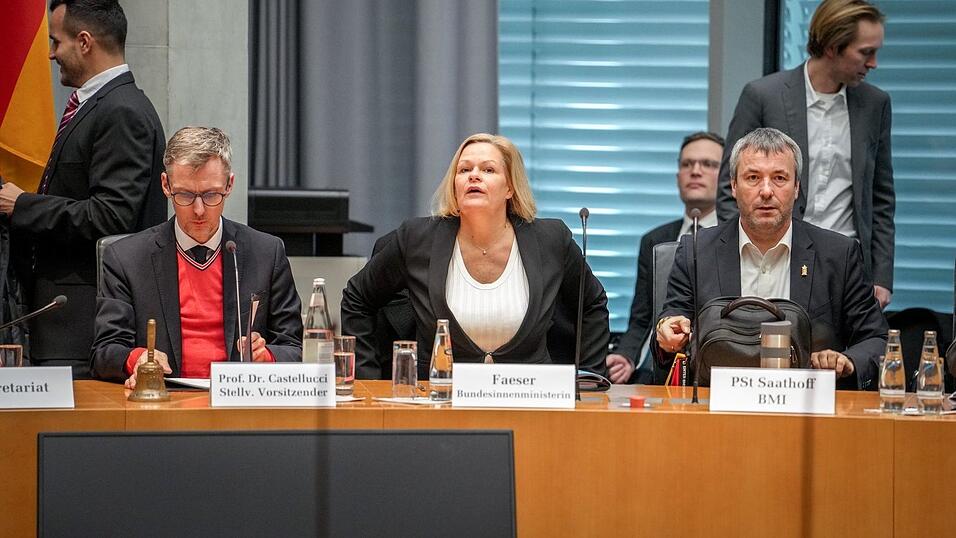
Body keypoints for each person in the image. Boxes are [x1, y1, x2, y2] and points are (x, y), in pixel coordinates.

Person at [342, 133, 610, 378]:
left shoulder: (551, 239)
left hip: (530, 399)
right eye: (464, 170)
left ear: (510, 188)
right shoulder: (417, 238)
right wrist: (368, 381)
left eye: (488, 169)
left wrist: (589, 379)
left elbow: (592, 303)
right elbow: (357, 298)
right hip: (440, 400)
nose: (474, 176)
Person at [0, 0, 166, 377]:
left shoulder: (122, 111)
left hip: (82, 324)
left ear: (85, 42)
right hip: (60, 320)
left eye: (57, 42)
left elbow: (111, 217)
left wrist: (22, 205)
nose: (50, 54)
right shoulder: (97, 105)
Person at [657, 127, 887, 390]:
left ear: (797, 186)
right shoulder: (696, 250)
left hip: (808, 408)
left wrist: (846, 360)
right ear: (733, 185)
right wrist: (667, 335)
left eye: (779, 178)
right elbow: (671, 326)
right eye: (753, 177)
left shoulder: (838, 254)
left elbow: (876, 339)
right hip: (718, 408)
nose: (766, 191)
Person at [716, 0, 894, 310]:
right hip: (776, 258)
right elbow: (728, 187)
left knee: (841, 358)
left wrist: (881, 276)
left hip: (847, 266)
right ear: (832, 47)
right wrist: (741, 261)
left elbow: (881, 198)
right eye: (865, 52)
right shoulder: (763, 95)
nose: (874, 63)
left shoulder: (875, 103)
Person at [91, 127, 302, 388]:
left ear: (229, 185)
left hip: (238, 403)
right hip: (163, 400)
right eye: (186, 195)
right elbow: (105, 351)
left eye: (211, 194)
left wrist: (266, 356)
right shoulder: (126, 257)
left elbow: (294, 347)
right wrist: (139, 359)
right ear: (166, 185)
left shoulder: (266, 252)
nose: (199, 210)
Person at [606, 132, 723, 384]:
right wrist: (625, 356)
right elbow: (641, 320)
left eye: (708, 164)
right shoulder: (654, 240)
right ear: (677, 177)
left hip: (717, 365)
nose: (695, 171)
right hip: (658, 363)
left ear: (727, 179)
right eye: (687, 164)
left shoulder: (737, 237)